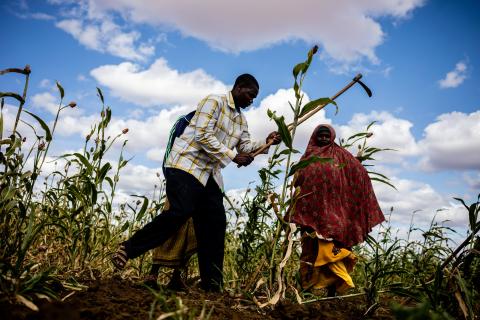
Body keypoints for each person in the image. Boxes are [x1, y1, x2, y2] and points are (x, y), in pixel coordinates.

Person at [112, 74, 281, 292]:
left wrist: (266, 142)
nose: (252, 101)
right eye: (250, 95)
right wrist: (232, 156)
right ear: (239, 87)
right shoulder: (214, 102)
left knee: (215, 224)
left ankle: (212, 287)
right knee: (180, 211)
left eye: (255, 98)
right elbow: (202, 135)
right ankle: (128, 248)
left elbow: (246, 147)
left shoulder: (241, 120)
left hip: (209, 175)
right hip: (186, 164)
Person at [290, 124, 384, 296]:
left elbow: (359, 173)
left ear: (332, 137)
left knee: (334, 251)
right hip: (310, 214)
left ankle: (332, 292)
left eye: (327, 136)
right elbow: (298, 181)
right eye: (321, 136)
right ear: (314, 137)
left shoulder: (341, 155)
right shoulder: (308, 156)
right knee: (310, 252)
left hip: (335, 215)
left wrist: (355, 166)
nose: (324, 139)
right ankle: (306, 290)